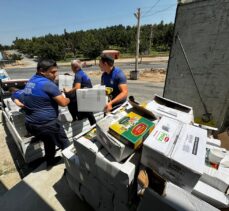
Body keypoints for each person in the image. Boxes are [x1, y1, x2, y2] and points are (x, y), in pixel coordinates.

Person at [23, 59, 70, 167]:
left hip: (31, 124)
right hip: (47, 124)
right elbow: (63, 103)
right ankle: (73, 165)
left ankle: (50, 161)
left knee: (48, 142)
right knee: (65, 144)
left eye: (56, 72)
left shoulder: (31, 81)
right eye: (53, 72)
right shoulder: (48, 84)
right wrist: (68, 98)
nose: (56, 75)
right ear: (42, 71)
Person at [64, 59, 96, 125]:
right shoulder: (81, 72)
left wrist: (68, 91)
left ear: (73, 67)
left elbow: (77, 87)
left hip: (85, 94)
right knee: (89, 112)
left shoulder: (78, 75)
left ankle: (77, 118)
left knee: (71, 100)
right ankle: (90, 122)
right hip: (88, 92)